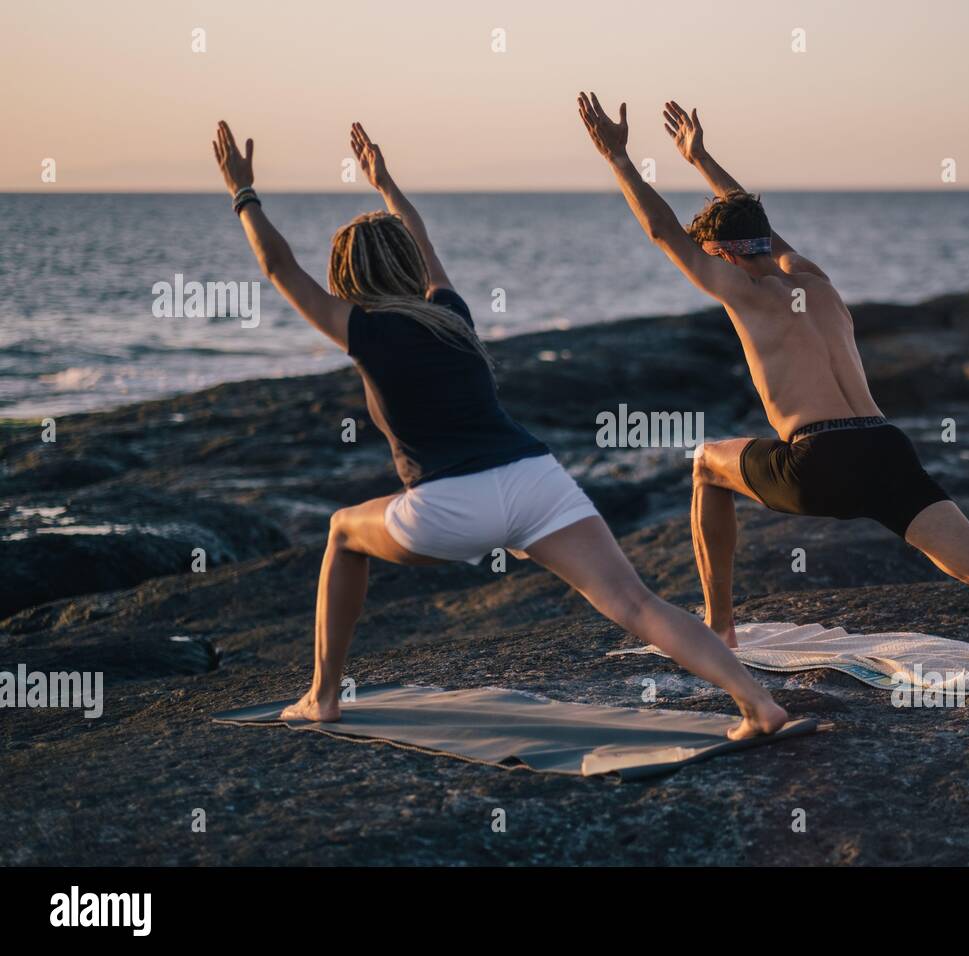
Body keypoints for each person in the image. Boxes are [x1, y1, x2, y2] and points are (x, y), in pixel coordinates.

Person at [209, 120, 788, 735]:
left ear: (348, 282)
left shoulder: (366, 331)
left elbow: (278, 267)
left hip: (450, 507)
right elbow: (421, 236)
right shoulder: (449, 313)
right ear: (405, 265)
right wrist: (386, 184)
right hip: (537, 480)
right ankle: (760, 704)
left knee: (341, 532)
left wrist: (243, 193)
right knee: (636, 604)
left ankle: (323, 696)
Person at [577, 94, 969, 677]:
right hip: (885, 447)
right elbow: (761, 229)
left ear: (724, 255)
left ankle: (720, 629)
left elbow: (661, 232)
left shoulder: (740, 289)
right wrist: (701, 160)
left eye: (711, 255)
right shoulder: (816, 283)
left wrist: (619, 159)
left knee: (706, 462)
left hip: (819, 461)